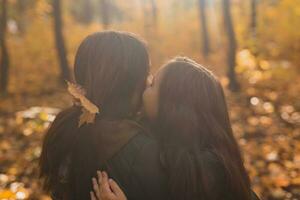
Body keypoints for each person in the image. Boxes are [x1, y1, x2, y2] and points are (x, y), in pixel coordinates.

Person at [90, 57, 260, 200]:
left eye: (153, 84)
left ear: (172, 105)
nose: (145, 85)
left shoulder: (210, 171)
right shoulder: (212, 156)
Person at [39, 31, 168, 200]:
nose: (148, 80)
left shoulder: (64, 127)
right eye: (146, 73)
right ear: (129, 83)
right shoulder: (143, 150)